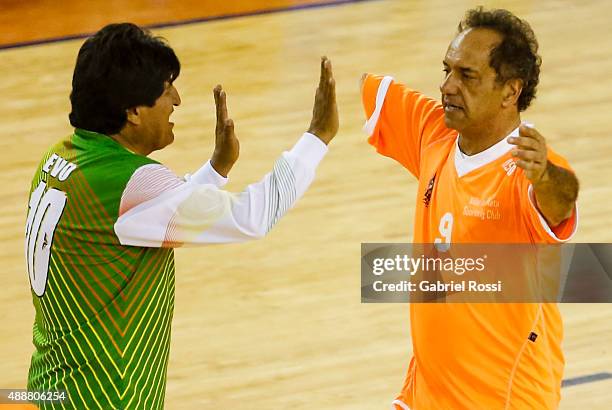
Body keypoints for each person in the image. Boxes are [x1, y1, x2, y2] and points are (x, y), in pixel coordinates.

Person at [25, 23, 338, 409]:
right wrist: (317, 137)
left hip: (45, 390)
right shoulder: (130, 184)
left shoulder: (60, 157)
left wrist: (215, 171)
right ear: (133, 112)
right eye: (165, 89)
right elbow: (253, 217)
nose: (177, 99)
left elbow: (147, 215)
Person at [360, 7, 578, 410]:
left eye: (467, 76)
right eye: (447, 70)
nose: (447, 86)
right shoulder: (435, 133)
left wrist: (545, 176)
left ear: (511, 91)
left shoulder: (530, 170)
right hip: (425, 393)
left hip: (504, 399)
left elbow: (561, 202)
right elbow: (372, 90)